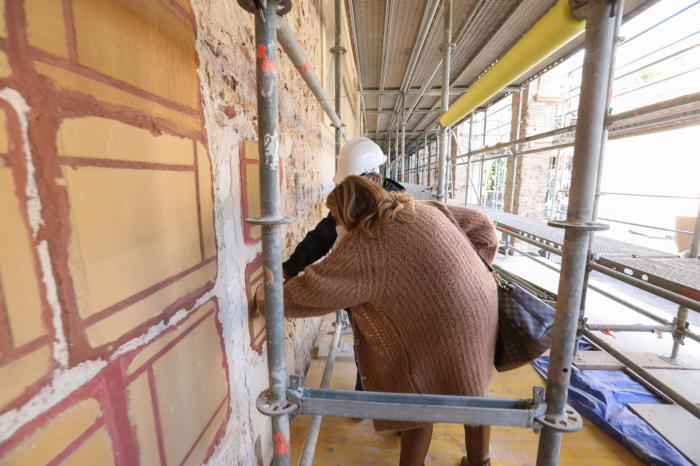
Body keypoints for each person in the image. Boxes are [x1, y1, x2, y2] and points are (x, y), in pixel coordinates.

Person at [261, 175, 499, 466]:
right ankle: (480, 461)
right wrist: (468, 271)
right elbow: (483, 228)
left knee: (417, 396)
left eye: (335, 215)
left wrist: (268, 299)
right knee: (472, 388)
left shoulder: (367, 243)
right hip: (480, 308)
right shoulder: (421, 208)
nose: (335, 222)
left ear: (349, 211)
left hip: (443, 324)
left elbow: (316, 288)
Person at [282, 137, 404, 394]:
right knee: (365, 345)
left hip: (394, 296)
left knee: (399, 351)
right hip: (361, 293)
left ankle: (401, 405)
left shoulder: (399, 209)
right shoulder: (351, 200)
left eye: (353, 183)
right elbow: (322, 237)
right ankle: (364, 393)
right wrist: (290, 268)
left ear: (373, 179)